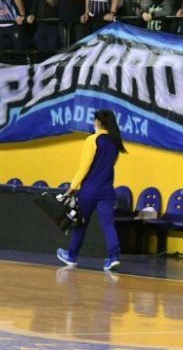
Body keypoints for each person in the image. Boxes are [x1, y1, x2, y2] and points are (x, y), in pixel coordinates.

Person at [57, 109, 127, 272]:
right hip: (107, 191)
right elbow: (111, 164)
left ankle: (71, 256)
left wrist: (72, 187)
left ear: (98, 122)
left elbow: (84, 166)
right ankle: (113, 257)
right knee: (108, 225)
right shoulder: (115, 142)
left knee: (80, 224)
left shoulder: (92, 140)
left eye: (94, 120)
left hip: (89, 190)